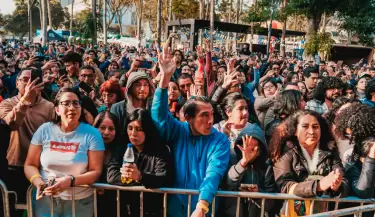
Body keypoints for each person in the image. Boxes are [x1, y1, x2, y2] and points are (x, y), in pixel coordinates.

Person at [152, 43, 230, 217]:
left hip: (204, 210)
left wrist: (202, 207)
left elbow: (214, 173)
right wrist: (165, 79)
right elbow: (159, 117)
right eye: (203, 115)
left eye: (211, 114)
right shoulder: (178, 130)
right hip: (175, 209)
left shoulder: (220, 140)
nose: (210, 121)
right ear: (188, 118)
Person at [24, 88, 104, 217]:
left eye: (76, 103)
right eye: (66, 103)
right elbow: (30, 164)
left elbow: (96, 171)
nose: (72, 107)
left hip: (79, 202)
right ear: (57, 109)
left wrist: (71, 181)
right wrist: (39, 183)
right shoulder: (44, 130)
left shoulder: (92, 133)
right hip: (46, 200)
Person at [269, 110, 349, 216]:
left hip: (323, 213)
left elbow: (344, 181)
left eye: (315, 127)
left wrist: (337, 185)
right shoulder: (286, 151)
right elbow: (285, 186)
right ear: (295, 131)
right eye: (305, 126)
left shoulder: (330, 150)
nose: (311, 131)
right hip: (291, 213)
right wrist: (318, 186)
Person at [107, 109, 172, 217]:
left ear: (147, 130)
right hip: (125, 209)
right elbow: (112, 176)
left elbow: (163, 178)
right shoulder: (122, 148)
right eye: (130, 128)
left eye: (139, 129)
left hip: (151, 210)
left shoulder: (160, 150)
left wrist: (140, 177)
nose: (133, 134)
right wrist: (135, 180)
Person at [218, 126, 276, 217]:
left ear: (259, 151)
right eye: (246, 148)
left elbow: (270, 202)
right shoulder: (231, 159)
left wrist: (258, 194)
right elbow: (228, 181)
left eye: (253, 150)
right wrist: (243, 163)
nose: (249, 153)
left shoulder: (266, 168)